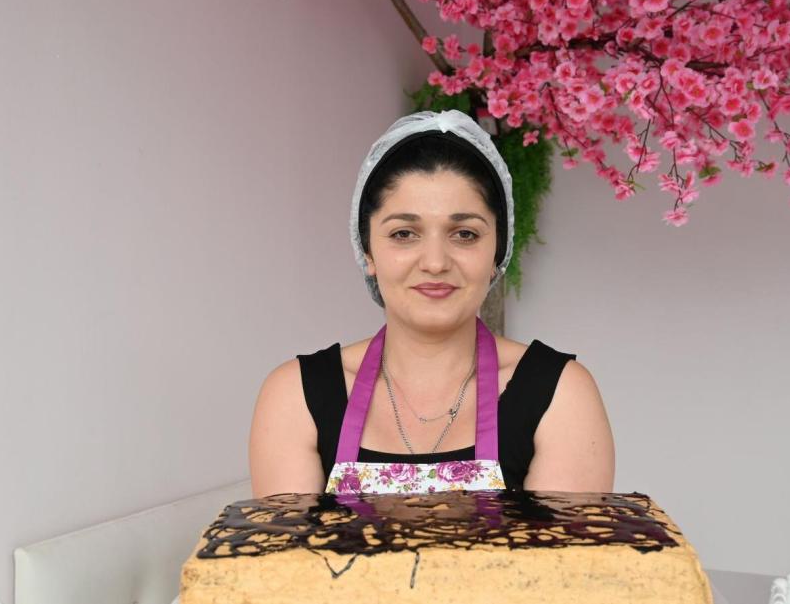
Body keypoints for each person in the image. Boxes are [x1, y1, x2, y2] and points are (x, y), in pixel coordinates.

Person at [249, 110, 614, 497]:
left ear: (497, 252)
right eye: (404, 233)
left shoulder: (560, 395)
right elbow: (285, 559)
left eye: (465, 234)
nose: (436, 262)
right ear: (367, 250)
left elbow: (565, 559)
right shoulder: (296, 396)